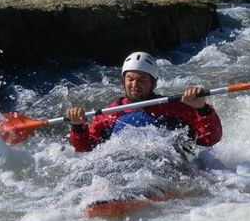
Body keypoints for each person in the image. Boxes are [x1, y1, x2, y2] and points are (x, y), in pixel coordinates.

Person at [64, 51, 223, 153]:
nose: (135, 84)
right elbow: (86, 148)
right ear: (123, 80)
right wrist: (78, 127)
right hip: (123, 164)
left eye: (142, 80)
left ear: (153, 83)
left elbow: (210, 139)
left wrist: (202, 109)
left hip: (167, 164)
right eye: (130, 79)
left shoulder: (177, 108)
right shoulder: (109, 114)